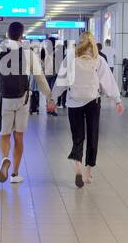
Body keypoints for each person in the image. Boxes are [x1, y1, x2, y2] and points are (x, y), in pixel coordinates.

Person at [53, 32, 124, 188]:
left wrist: (52, 98)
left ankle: (77, 166)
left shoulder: (70, 58)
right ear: (93, 42)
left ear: (79, 43)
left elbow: (61, 81)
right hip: (93, 101)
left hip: (73, 103)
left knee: (78, 136)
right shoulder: (98, 59)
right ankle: (88, 172)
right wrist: (117, 100)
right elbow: (108, 81)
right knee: (93, 136)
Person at [0, 22, 55, 184]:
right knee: (19, 136)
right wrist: (49, 97)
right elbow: (40, 78)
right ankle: (15, 174)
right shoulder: (28, 53)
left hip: (4, 98)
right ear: (21, 35)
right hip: (23, 98)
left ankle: (5, 158)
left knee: (4, 135)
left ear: (7, 34)